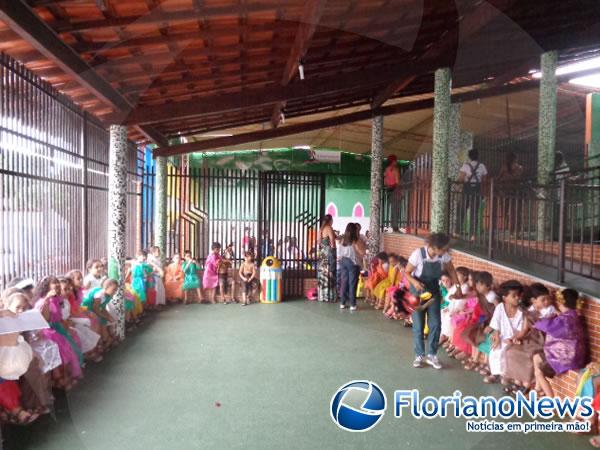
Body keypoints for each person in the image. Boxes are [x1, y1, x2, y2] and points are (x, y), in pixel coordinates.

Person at [405, 233, 461, 370]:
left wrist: (458, 286)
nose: (446, 251)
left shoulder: (443, 256)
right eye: (443, 248)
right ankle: (419, 355)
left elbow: (452, 270)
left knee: (436, 323)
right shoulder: (418, 254)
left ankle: (432, 355)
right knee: (418, 324)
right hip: (417, 291)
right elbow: (406, 272)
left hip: (433, 290)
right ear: (434, 247)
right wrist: (415, 283)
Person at [532, 288, 586, 397]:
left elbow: (546, 326)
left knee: (538, 370)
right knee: (537, 357)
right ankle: (538, 390)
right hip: (576, 356)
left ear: (561, 302)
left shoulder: (564, 320)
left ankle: (550, 399)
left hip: (564, 358)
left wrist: (536, 319)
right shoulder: (574, 315)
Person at [485, 280, 525, 384]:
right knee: (495, 349)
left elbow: (521, 329)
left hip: (515, 338)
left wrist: (514, 338)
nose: (517, 298)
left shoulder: (522, 312)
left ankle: (506, 375)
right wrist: (497, 336)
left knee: (507, 350)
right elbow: (496, 323)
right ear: (504, 298)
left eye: (518, 295)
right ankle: (494, 373)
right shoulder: (500, 308)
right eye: (514, 296)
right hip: (501, 336)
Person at [457, 149, 488, 240]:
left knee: (461, 210)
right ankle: (473, 235)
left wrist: (458, 184)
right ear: (478, 156)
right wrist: (484, 193)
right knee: (474, 212)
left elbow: (461, 179)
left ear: (469, 157)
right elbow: (484, 180)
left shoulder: (466, 166)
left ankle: (458, 232)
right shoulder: (482, 166)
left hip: (467, 190)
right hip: (477, 190)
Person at [337, 223, 366, 311]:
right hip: (352, 264)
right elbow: (362, 253)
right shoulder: (356, 240)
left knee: (344, 282)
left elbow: (339, 254)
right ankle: (352, 304)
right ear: (354, 230)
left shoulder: (343, 240)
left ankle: (342, 303)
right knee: (352, 283)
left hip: (343, 262)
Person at [317, 214, 337, 303]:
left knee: (323, 273)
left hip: (322, 254)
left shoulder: (320, 230)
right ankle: (330, 296)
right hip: (329, 253)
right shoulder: (329, 228)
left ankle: (322, 296)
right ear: (330, 220)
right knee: (330, 271)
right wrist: (334, 251)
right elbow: (332, 241)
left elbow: (319, 243)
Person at [384, 155, 402, 231]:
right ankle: (395, 227)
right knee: (396, 209)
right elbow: (398, 182)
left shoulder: (386, 170)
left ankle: (393, 226)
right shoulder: (395, 170)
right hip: (395, 190)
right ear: (393, 161)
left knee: (392, 209)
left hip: (389, 190)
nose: (396, 161)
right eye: (395, 160)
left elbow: (385, 182)